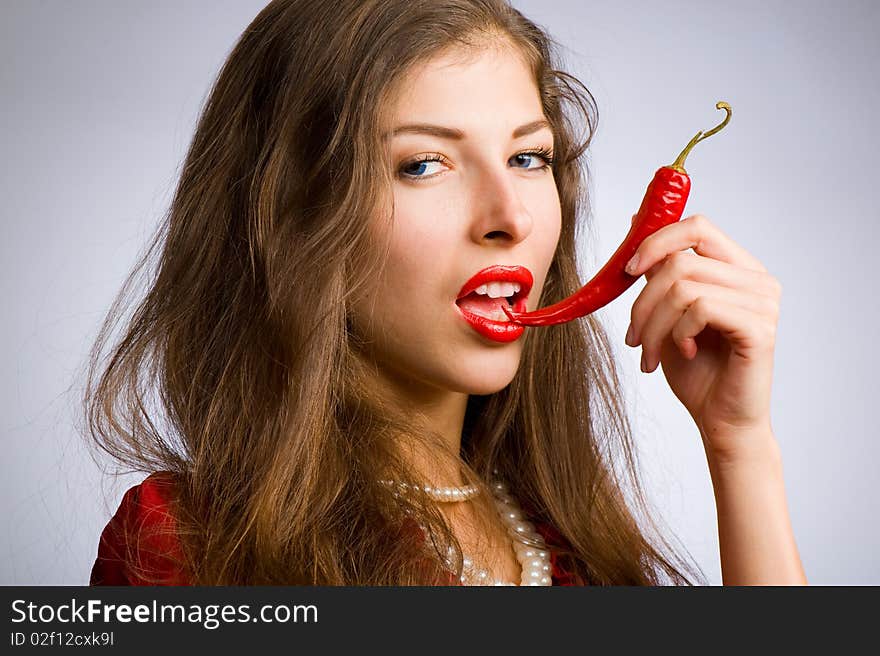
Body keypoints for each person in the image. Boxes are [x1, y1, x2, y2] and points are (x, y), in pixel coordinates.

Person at [86, 0, 806, 586]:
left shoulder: (569, 539)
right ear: (292, 216)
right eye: (424, 164)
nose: (511, 217)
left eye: (529, 157)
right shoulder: (187, 545)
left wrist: (739, 446)